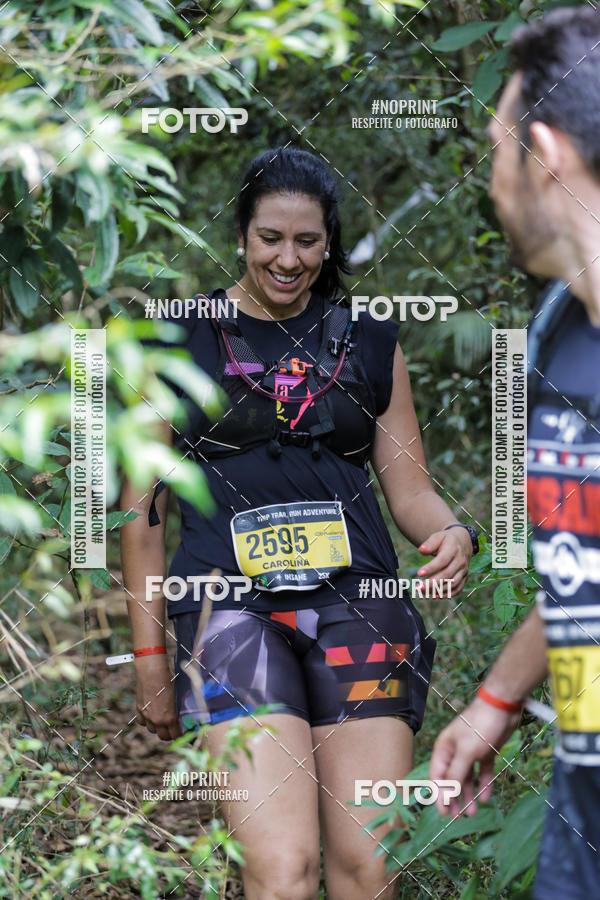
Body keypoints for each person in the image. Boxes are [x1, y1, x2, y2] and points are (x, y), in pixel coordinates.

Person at [121, 146, 477, 900]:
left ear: (329, 243)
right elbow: (142, 516)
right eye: (271, 239)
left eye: (307, 241)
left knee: (367, 866)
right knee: (282, 870)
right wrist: (151, 662)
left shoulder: (369, 340)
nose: (288, 259)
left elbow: (411, 489)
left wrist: (452, 531)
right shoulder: (177, 339)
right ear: (241, 237)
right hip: (226, 611)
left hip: (360, 606)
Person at [429, 8, 600, 900]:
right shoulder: (558, 332)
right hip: (585, 780)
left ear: (545, 154)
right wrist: (495, 700)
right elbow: (586, 569)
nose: (493, 184)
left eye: (497, 151)